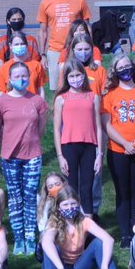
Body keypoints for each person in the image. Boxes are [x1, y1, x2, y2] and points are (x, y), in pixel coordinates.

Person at [0, 62, 48, 255]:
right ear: (9, 79)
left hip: (33, 154)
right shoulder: (1, 103)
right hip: (9, 156)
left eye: (24, 75)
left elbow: (41, 128)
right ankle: (18, 238)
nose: (21, 79)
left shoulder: (38, 101)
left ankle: (31, 237)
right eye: (16, 76)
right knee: (15, 198)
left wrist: (31, 142)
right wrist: (7, 141)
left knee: (31, 196)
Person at [41, 187, 130, 269]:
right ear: (58, 207)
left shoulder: (84, 221)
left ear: (78, 204)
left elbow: (109, 239)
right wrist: (60, 267)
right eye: (65, 205)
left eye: (73, 204)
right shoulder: (53, 222)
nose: (70, 208)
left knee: (98, 242)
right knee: (50, 248)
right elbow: (46, 241)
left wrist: (103, 267)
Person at [100, 54, 135, 248]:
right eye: (121, 67)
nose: (125, 70)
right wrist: (125, 143)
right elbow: (107, 125)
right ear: (115, 71)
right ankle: (124, 234)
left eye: (128, 66)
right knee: (122, 193)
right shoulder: (110, 95)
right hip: (117, 150)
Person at [53, 58, 103, 215]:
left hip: (89, 146)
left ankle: (88, 224)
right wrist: (60, 156)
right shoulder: (61, 99)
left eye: (79, 75)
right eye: (72, 76)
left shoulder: (93, 97)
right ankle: (72, 222)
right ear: (66, 78)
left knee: (87, 188)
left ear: (84, 75)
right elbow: (56, 129)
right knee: (71, 187)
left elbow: (98, 126)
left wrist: (100, 154)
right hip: (69, 146)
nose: (76, 79)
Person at [38, 0, 91, 91]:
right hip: (55, 50)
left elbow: (87, 26)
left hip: (76, 50)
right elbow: (43, 31)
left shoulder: (80, 1)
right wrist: (43, 54)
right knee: (58, 88)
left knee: (80, 84)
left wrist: (89, 47)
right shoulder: (45, 3)